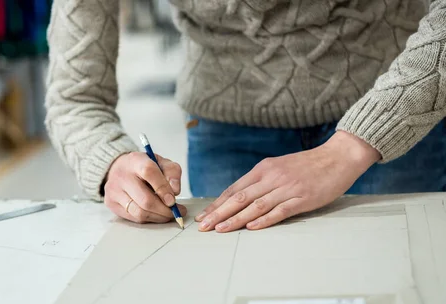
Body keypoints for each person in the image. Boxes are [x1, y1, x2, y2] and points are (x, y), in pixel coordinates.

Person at [46, 0, 446, 233]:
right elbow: (74, 97)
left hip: (394, 114)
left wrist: (350, 148)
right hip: (227, 136)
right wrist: (110, 162)